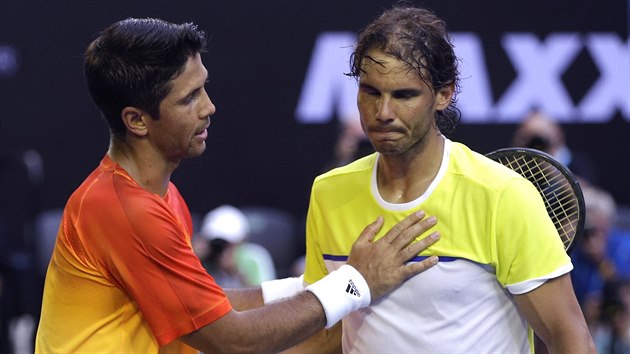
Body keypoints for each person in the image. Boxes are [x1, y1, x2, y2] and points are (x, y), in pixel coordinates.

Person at [33, 18, 442, 353]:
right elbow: (231, 339)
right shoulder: (126, 210)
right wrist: (354, 282)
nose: (209, 106)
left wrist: (314, 283)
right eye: (189, 98)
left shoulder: (158, 195)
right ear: (136, 120)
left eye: (203, 87)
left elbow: (210, 304)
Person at [294, 5, 595, 353]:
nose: (383, 113)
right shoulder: (328, 191)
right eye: (371, 92)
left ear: (444, 94)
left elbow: (572, 340)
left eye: (404, 95)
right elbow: (326, 333)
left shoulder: (501, 195)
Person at [193, 204, 276, 287]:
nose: (221, 249)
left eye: (228, 243)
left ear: (241, 242)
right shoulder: (204, 259)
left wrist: (234, 272)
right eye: (216, 242)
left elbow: (265, 296)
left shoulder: (255, 257)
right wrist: (193, 260)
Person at [512, 109, 599, 185]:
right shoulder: (512, 165)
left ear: (558, 136)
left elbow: (583, 195)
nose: (536, 144)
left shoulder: (578, 164)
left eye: (541, 136)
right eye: (530, 136)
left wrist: (549, 167)